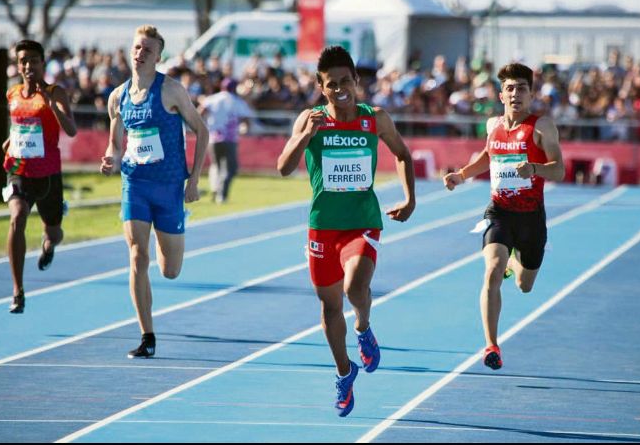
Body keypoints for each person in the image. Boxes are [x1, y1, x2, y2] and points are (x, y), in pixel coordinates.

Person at [277, 46, 415, 417]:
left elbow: (402, 154)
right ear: (322, 88)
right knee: (329, 306)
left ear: (356, 82)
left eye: (345, 82)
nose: (339, 89)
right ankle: (344, 371)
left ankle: (364, 326)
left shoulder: (375, 118)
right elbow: (284, 167)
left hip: (363, 221)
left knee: (355, 287)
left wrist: (409, 198)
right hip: (323, 227)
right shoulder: (310, 119)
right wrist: (304, 136)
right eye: (331, 84)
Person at [443, 63, 564, 371]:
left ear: (531, 94)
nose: (515, 94)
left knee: (524, 285)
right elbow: (488, 155)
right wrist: (462, 174)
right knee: (492, 271)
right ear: (500, 95)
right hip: (498, 213)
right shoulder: (492, 125)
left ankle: (515, 263)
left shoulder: (541, 127)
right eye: (509, 89)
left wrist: (534, 169)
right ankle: (491, 345)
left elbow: (560, 169)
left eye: (521, 88)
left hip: (531, 219)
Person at [100, 25, 209, 358]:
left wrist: (194, 180)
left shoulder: (172, 90)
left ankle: (173, 236)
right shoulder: (117, 97)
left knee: (170, 270)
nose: (140, 53)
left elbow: (202, 131)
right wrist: (110, 159)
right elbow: (114, 143)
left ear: (158, 56)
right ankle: (147, 335)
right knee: (137, 256)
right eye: (136, 47)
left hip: (169, 187)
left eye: (147, 49)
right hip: (135, 185)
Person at [2, 39, 77, 314]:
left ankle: (48, 245)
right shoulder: (12, 94)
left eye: (33, 60)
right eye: (23, 60)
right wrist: (10, 142)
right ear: (18, 64)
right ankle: (18, 290)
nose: (28, 65)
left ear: (42, 63)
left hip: (48, 175)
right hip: (18, 169)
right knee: (17, 216)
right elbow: (19, 127)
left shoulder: (56, 92)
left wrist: (50, 103)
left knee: (54, 232)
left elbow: (71, 130)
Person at [198, 78, 253, 204]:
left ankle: (215, 189)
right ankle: (221, 194)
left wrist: (202, 126)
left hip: (213, 137)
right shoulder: (237, 101)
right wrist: (244, 128)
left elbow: (200, 112)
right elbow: (246, 119)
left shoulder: (212, 99)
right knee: (231, 168)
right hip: (230, 138)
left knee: (216, 165)